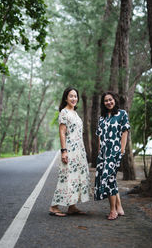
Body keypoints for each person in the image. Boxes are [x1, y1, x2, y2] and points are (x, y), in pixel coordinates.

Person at [49, 87, 91, 217]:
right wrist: (64, 151)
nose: (74, 98)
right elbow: (62, 132)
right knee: (66, 177)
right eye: (71, 96)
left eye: (75, 96)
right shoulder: (64, 112)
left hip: (79, 150)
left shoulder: (75, 113)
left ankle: (72, 207)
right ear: (66, 98)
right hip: (70, 149)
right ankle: (54, 206)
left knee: (76, 178)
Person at [94, 91, 130, 220]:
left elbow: (124, 132)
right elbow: (99, 136)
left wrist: (122, 150)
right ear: (103, 103)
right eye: (106, 101)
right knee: (111, 179)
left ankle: (113, 210)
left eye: (110, 100)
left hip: (114, 152)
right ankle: (119, 206)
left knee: (109, 179)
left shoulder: (122, 114)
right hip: (103, 154)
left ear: (114, 100)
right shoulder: (102, 118)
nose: (108, 102)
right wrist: (99, 152)